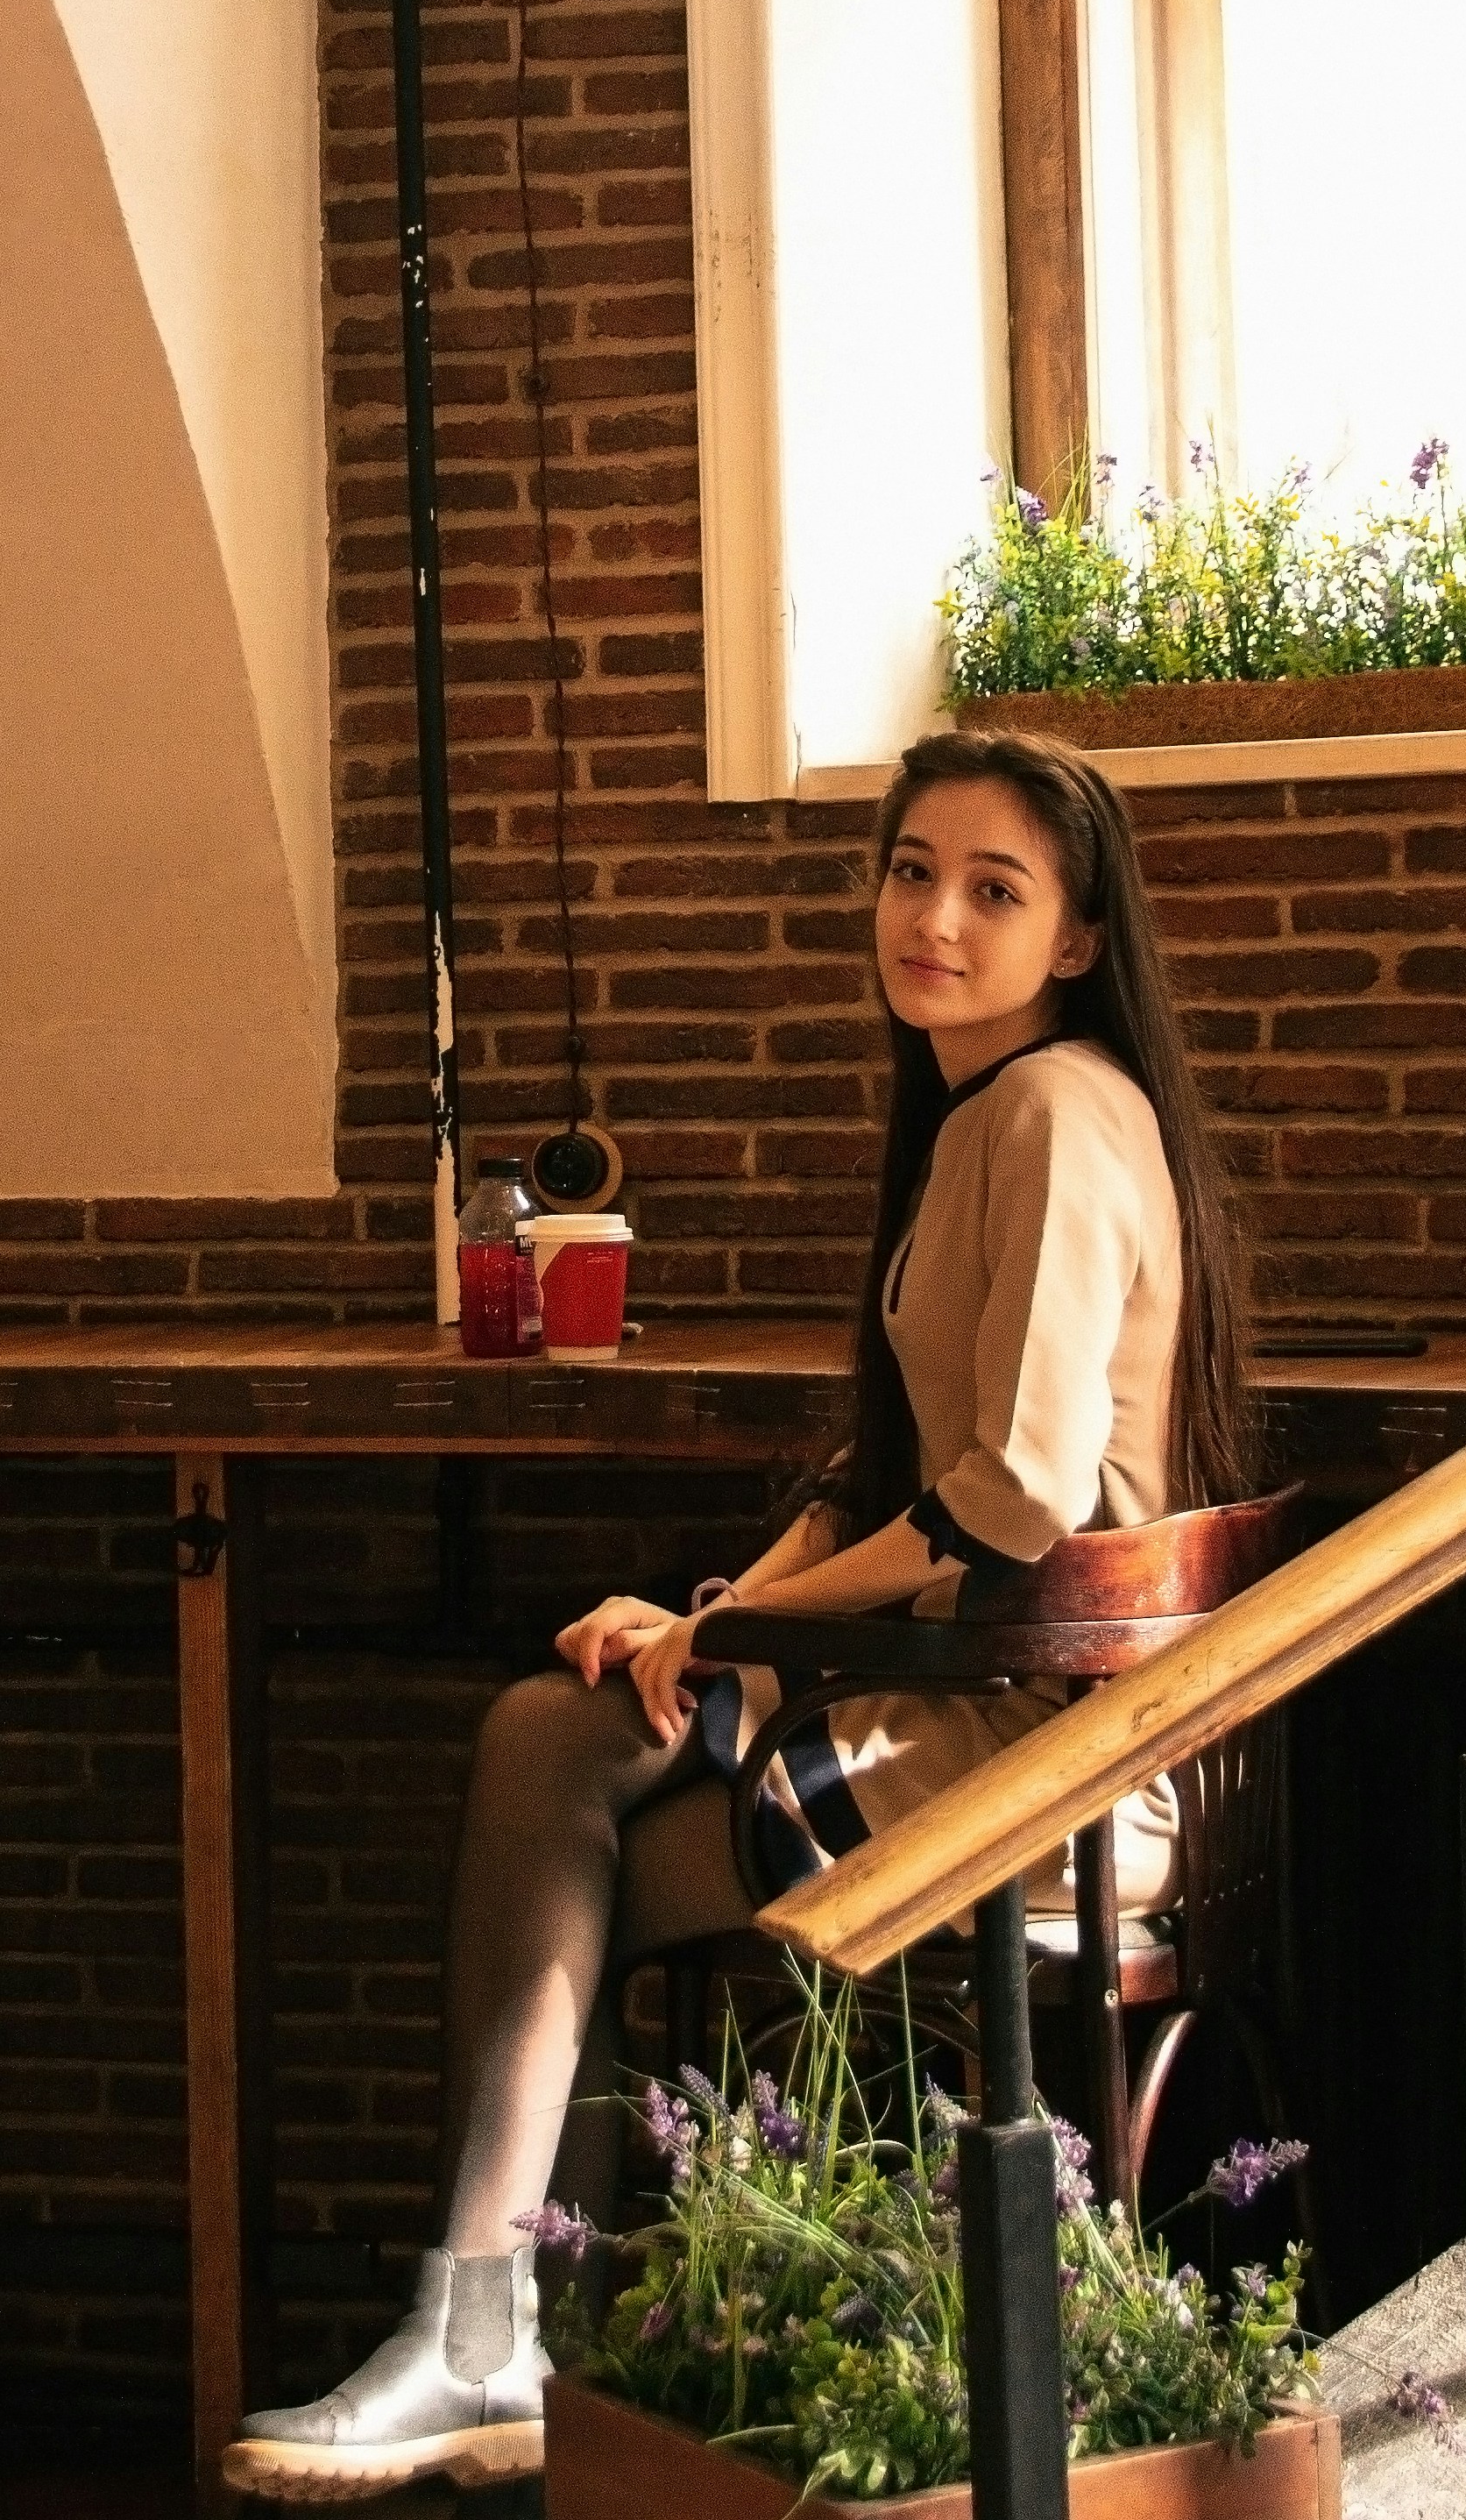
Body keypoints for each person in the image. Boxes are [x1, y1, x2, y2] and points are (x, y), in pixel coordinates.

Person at [222, 729, 1264, 2502]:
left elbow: (1008, 1494)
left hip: (1037, 1773)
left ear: (1079, 940)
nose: (933, 916)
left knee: (572, 1838)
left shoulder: (1055, 1115)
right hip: (956, 1704)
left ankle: (514, 2340)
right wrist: (727, 1611)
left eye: (993, 890)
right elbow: (886, 1481)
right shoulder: (983, 1116)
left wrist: (732, 1645)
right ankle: (512, 2338)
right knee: (554, 1728)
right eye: (910, 870)